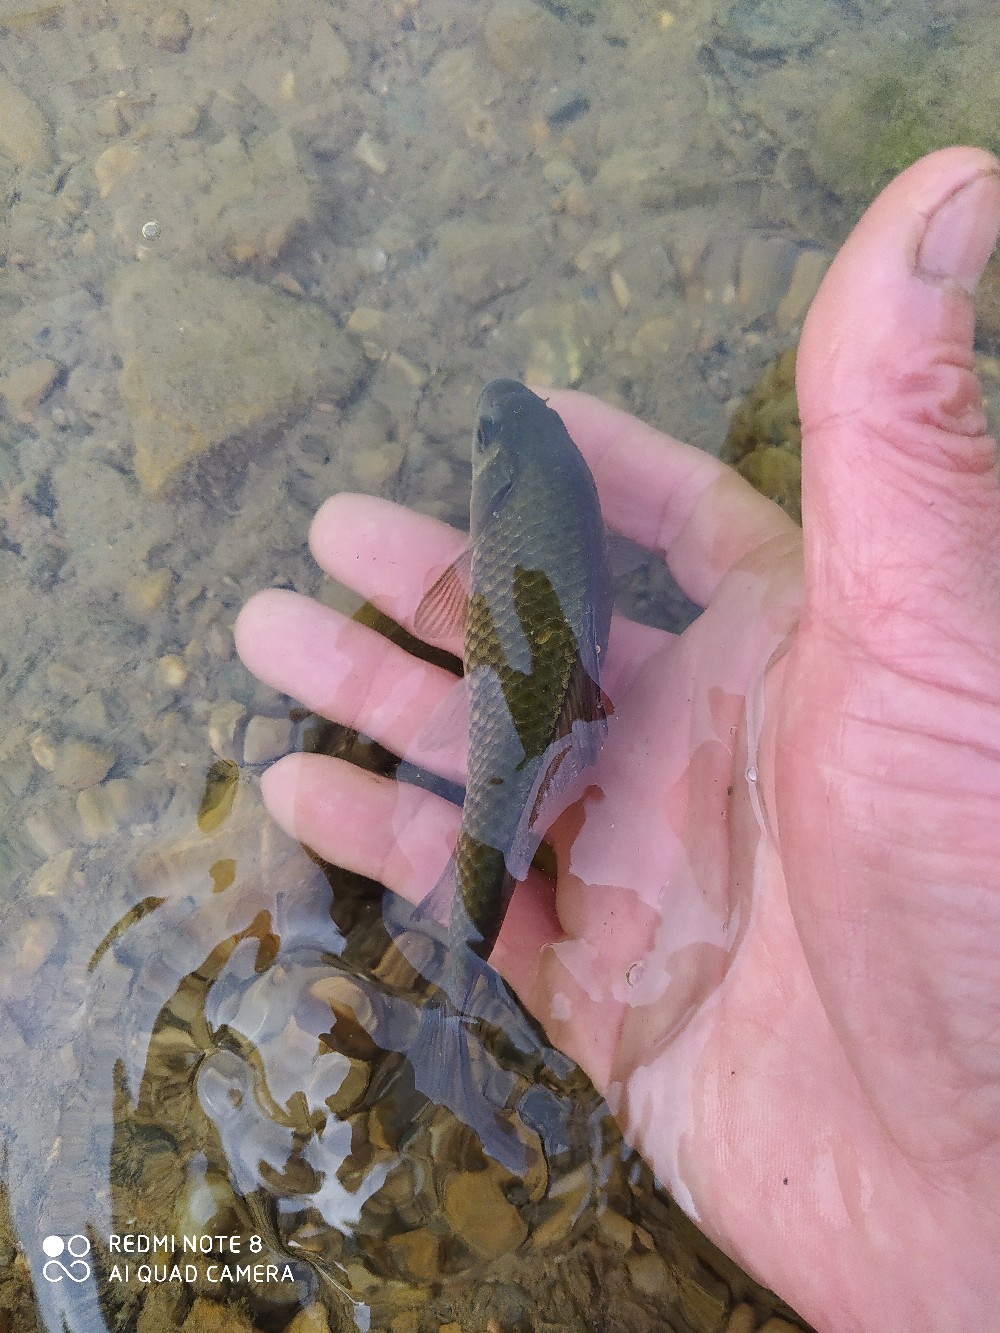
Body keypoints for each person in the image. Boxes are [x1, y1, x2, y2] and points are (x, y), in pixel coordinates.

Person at [235, 146, 1000, 1333]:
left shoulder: (518, 502)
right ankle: (447, 986)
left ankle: (438, 999)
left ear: (496, 479)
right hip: (555, 719)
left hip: (540, 729)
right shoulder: (546, 503)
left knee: (456, 829)